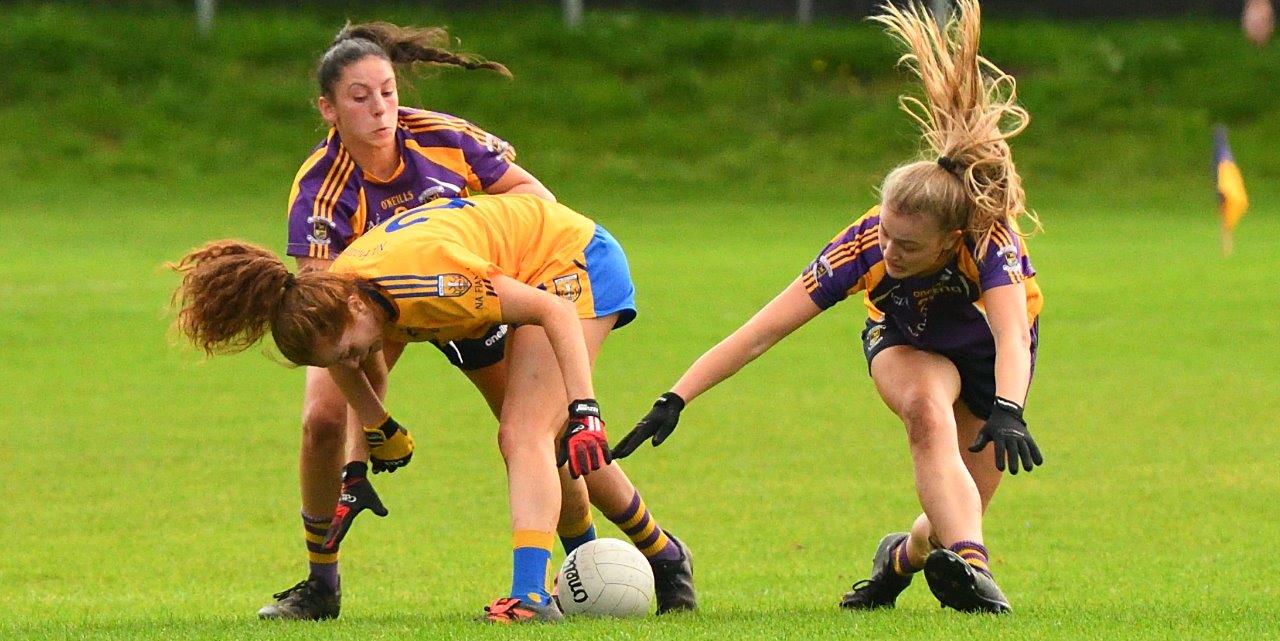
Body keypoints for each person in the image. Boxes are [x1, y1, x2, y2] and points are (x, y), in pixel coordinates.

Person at [612, 0, 1042, 614]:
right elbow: (763, 331)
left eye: (908, 245)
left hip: (993, 362)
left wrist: (1008, 409)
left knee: (949, 516)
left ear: (949, 241)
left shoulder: (989, 244)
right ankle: (976, 577)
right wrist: (675, 396)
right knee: (925, 413)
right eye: (886, 232)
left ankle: (902, 558)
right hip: (907, 343)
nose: (888, 250)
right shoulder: (864, 245)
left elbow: (1010, 338)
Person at [270, 23, 693, 620]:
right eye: (360, 97)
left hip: (489, 288)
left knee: (533, 434)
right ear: (328, 109)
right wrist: (369, 431)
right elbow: (329, 330)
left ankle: (601, 564)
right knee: (322, 416)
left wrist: (583, 403)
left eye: (387, 92)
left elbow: (542, 213)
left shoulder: (440, 140)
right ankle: (322, 582)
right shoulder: (322, 192)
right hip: (399, 305)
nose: (380, 109)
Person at [172, 194, 693, 623]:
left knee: (525, 433)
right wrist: (363, 451)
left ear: (353, 308)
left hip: (573, 264)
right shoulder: (345, 291)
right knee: (548, 443)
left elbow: (552, 310)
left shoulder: (431, 286)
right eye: (339, 359)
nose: (352, 360)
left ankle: (530, 596)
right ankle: (663, 557)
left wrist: (586, 409)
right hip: (530, 271)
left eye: (351, 349)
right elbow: (350, 368)